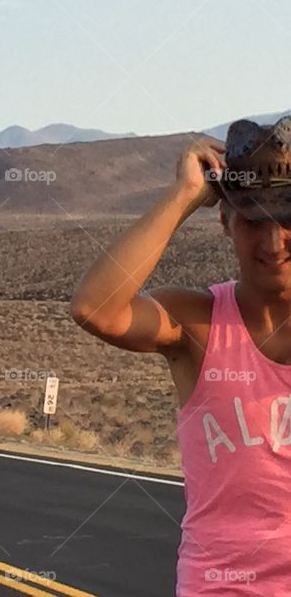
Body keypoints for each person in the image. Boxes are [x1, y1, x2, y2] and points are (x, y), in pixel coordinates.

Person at [70, 113, 291, 596]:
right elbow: (95, 309)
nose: (274, 241)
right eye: (254, 219)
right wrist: (182, 195)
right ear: (225, 222)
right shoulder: (197, 324)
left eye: (289, 218)